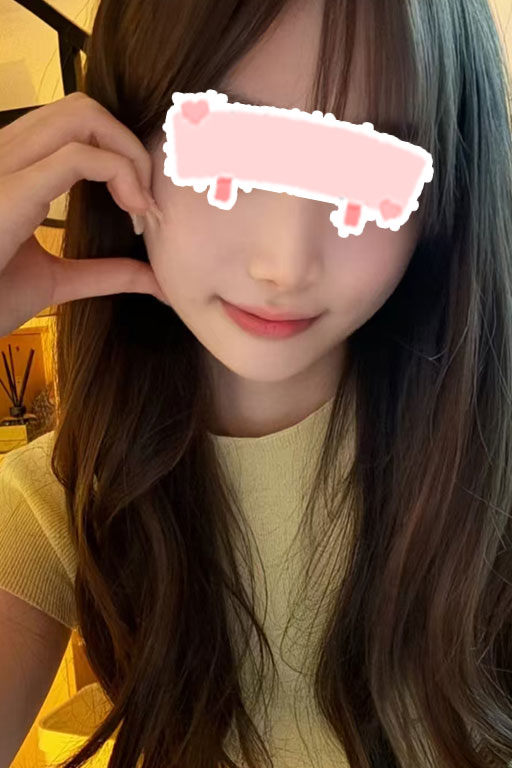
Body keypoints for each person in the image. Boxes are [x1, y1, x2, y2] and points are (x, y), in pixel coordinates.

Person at [0, 0, 511, 766]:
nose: (285, 262)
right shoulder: (58, 506)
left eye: (364, 171)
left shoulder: (491, 476)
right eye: (227, 154)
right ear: (116, 148)